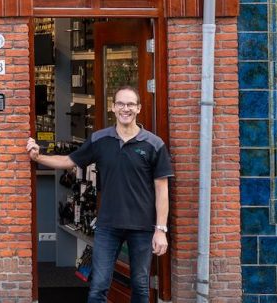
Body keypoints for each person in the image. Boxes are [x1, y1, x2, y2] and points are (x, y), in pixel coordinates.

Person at [26, 86, 173, 303]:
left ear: (139, 108)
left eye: (130, 104)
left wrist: (160, 230)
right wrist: (38, 157)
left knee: (140, 286)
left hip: (142, 226)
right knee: (98, 286)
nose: (125, 109)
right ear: (113, 107)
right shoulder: (100, 140)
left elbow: (162, 189)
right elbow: (68, 160)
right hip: (108, 226)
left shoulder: (154, 144)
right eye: (120, 104)